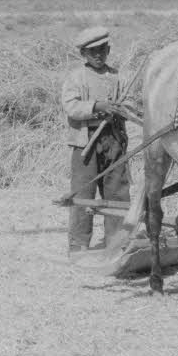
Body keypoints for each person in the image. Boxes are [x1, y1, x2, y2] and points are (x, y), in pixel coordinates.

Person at [61, 25, 131, 254]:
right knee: (83, 192)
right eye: (93, 51)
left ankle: (116, 241)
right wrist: (97, 107)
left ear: (108, 49)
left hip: (114, 140)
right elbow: (71, 107)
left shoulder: (117, 76)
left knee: (117, 192)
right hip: (86, 142)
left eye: (102, 50)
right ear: (83, 53)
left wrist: (123, 109)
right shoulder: (76, 77)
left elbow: (128, 103)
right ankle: (78, 244)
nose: (98, 55)